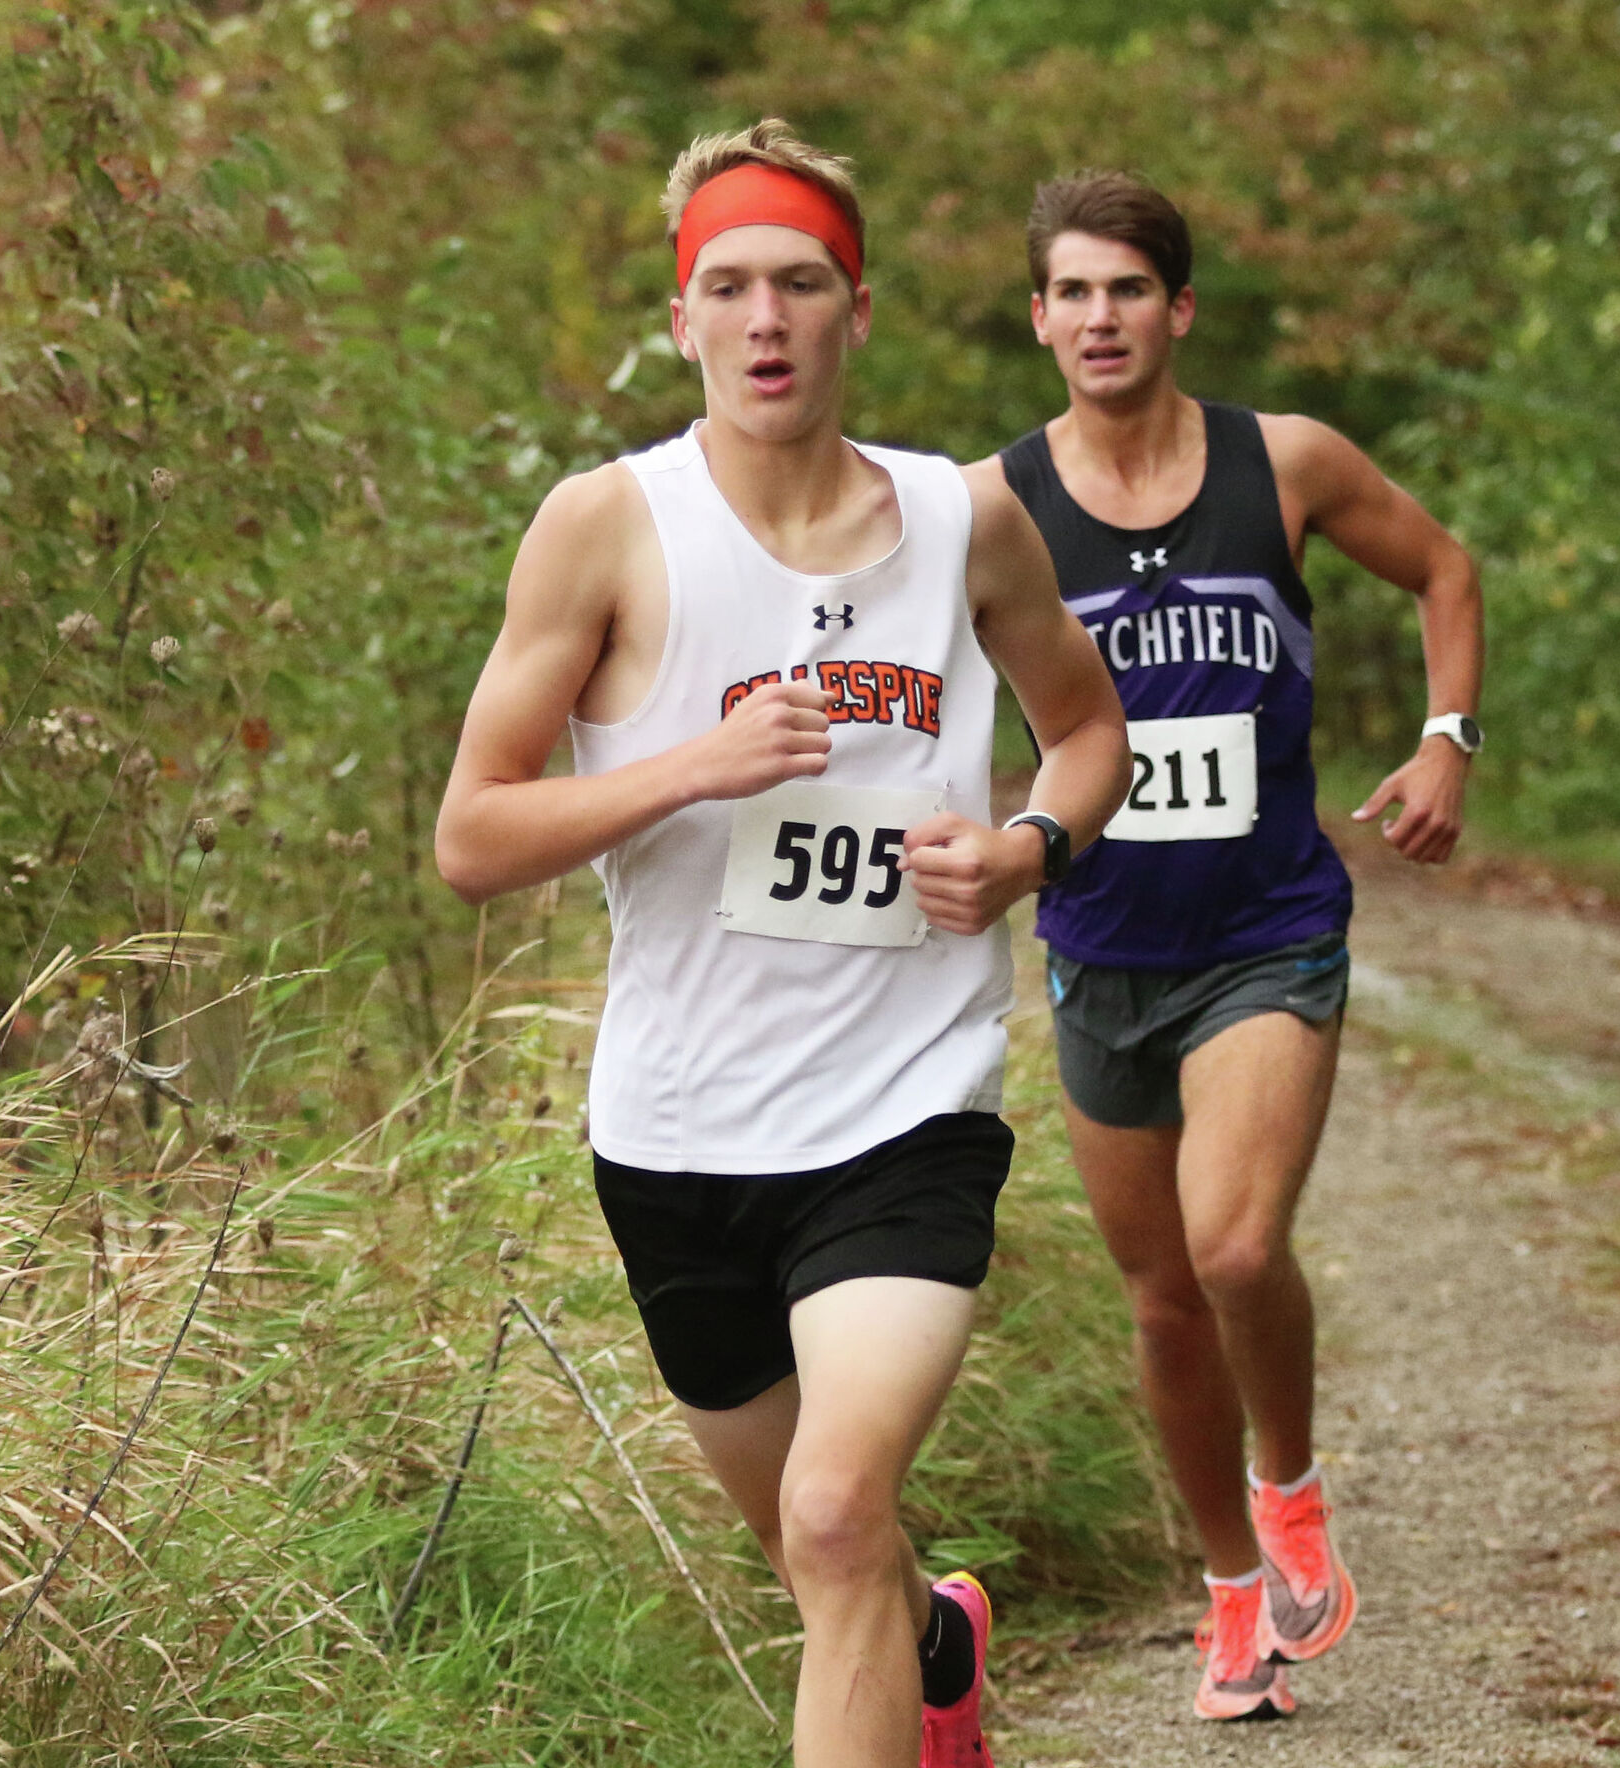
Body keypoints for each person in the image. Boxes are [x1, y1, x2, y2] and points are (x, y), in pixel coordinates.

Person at [436, 121, 1129, 1768]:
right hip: (676, 1137)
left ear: (857, 312)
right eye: (729, 287)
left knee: (832, 1517)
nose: (766, 320)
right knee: (827, 1564)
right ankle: (933, 1645)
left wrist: (1027, 850)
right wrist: (697, 762)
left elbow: (1093, 736)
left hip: (906, 1107)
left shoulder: (972, 524)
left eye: (801, 285)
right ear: (683, 321)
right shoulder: (605, 528)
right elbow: (472, 835)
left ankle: (897, 1628)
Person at [994, 170, 1484, 1722]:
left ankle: (1291, 1483)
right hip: (1098, 941)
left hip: (1267, 932)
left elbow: (1445, 569)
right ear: (1038, 320)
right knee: (1157, 1301)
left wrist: (1446, 739)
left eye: (1127, 289)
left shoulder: (1284, 466)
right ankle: (1226, 1595)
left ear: (1178, 309)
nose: (1100, 318)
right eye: (1071, 292)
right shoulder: (991, 506)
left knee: (1235, 1248)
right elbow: (904, 667)